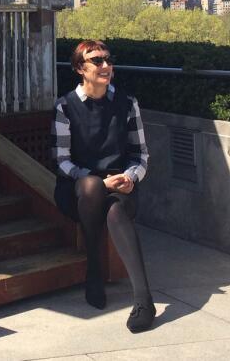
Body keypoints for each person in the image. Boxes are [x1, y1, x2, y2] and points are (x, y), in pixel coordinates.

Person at [52, 39, 154, 333]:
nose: (106, 66)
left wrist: (131, 177)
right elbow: (61, 161)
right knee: (91, 188)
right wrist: (98, 179)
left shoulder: (127, 103)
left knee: (114, 212)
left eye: (108, 59)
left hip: (120, 189)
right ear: (79, 69)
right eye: (96, 60)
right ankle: (95, 269)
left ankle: (144, 301)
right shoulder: (65, 107)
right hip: (77, 191)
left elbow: (140, 154)